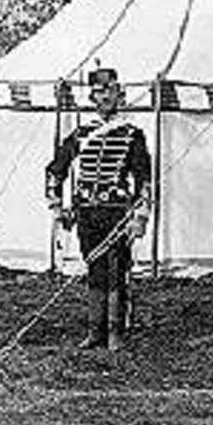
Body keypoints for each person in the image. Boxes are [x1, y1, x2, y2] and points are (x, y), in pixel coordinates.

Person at [45, 66, 152, 351]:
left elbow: (144, 178)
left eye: (110, 91)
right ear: (92, 97)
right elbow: (55, 170)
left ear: (120, 95)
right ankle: (95, 332)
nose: (105, 97)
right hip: (86, 214)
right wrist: (57, 206)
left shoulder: (132, 134)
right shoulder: (81, 134)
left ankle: (115, 333)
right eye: (99, 92)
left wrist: (141, 216)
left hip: (117, 214)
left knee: (117, 271)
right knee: (95, 268)